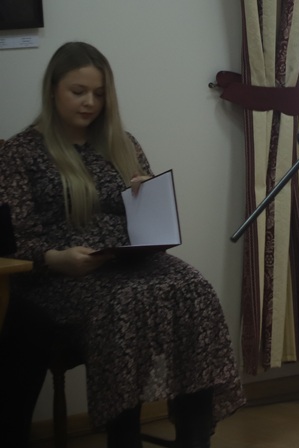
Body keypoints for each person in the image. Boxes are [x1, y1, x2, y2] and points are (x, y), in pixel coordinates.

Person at [0, 41, 244, 448]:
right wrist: (55, 259)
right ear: (53, 89)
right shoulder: (20, 152)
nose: (90, 103)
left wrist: (145, 198)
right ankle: (123, 435)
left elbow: (153, 227)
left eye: (99, 94)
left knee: (194, 289)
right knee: (124, 304)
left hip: (129, 264)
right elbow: (14, 242)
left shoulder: (122, 144)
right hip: (60, 276)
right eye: (78, 92)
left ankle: (195, 436)